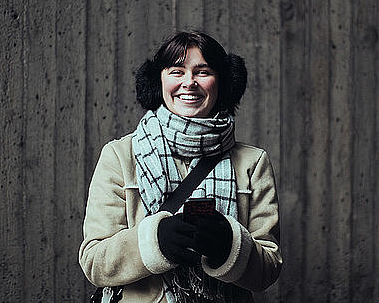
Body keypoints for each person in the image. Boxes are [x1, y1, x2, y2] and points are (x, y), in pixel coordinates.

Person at [79, 31, 281, 302]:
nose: (189, 83)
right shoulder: (119, 155)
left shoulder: (252, 162)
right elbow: (94, 262)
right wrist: (154, 242)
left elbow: (268, 270)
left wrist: (229, 246)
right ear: (157, 81)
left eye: (203, 72)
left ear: (223, 83)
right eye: (176, 71)